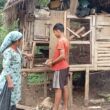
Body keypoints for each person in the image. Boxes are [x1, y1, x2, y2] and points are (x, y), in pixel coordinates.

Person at [0, 31, 32, 110]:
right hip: (8, 80)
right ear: (17, 41)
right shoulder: (8, 52)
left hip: (16, 79)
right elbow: (5, 66)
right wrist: (9, 81)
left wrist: (26, 55)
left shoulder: (17, 50)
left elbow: (20, 53)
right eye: (21, 40)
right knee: (6, 101)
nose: (22, 41)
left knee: (13, 100)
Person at [46, 23, 69, 110]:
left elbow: (62, 56)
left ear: (58, 31)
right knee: (65, 86)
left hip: (59, 68)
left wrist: (52, 63)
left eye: (54, 32)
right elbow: (63, 56)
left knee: (58, 89)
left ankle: (55, 108)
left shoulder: (60, 41)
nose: (54, 34)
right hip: (65, 66)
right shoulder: (66, 40)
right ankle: (65, 107)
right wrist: (51, 60)